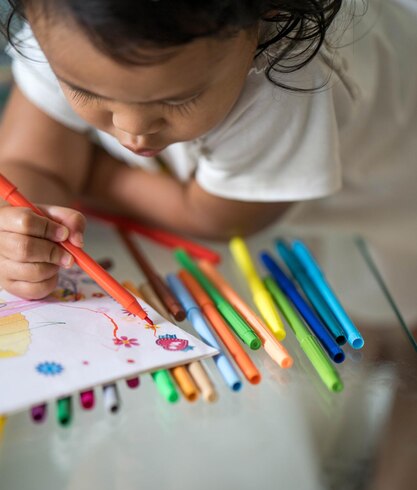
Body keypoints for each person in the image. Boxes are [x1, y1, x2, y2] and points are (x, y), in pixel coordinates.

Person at [0, 0, 416, 305]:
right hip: (280, 185)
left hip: (392, 194)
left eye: (178, 100)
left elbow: (215, 215)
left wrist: (92, 175)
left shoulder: (288, 79)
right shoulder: (65, 19)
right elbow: (30, 161)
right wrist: (24, 227)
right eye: (85, 90)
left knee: (388, 324)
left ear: (267, 13)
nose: (133, 132)